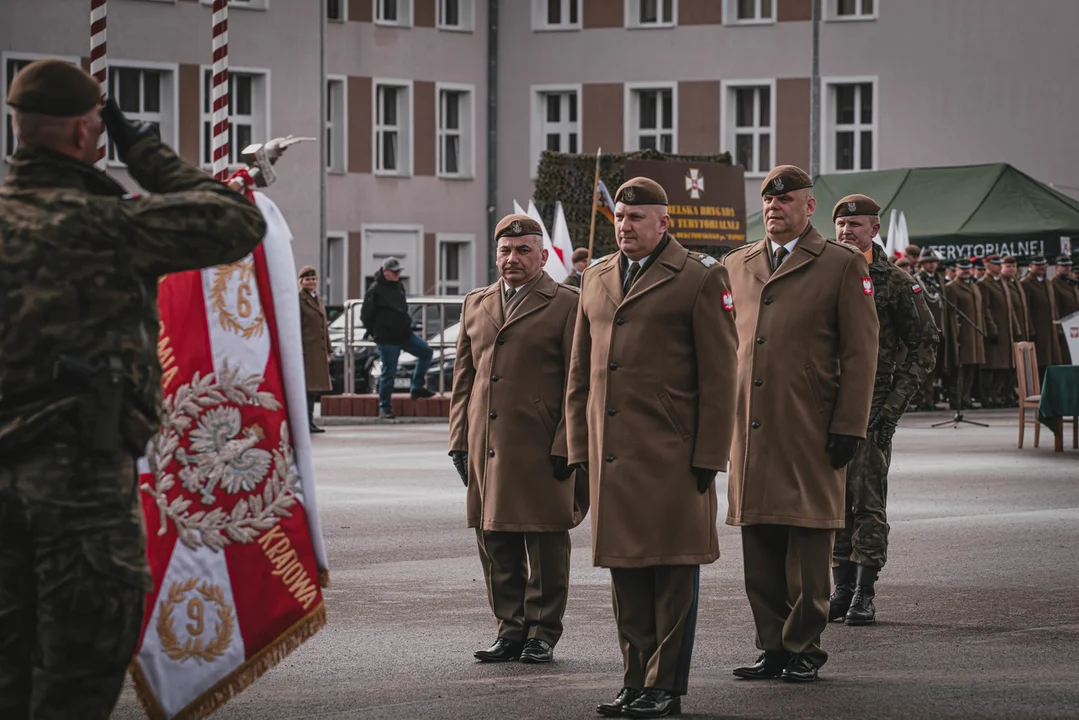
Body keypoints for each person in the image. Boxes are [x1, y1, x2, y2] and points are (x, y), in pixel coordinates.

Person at [0, 59, 267, 719]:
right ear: (84, 132)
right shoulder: (105, 224)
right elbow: (234, 218)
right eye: (96, 128)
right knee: (74, 682)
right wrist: (139, 147)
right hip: (80, 488)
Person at [566, 177, 738, 718]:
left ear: (664, 222)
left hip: (673, 456)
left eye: (637, 218)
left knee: (671, 574)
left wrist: (710, 457)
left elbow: (720, 374)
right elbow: (579, 372)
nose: (625, 227)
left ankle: (665, 686)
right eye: (619, 217)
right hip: (611, 458)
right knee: (627, 575)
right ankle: (635, 678)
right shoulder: (595, 278)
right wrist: (578, 448)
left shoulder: (698, 279)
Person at [722, 166, 878, 683]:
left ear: (809, 207)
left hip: (810, 425)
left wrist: (850, 424)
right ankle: (771, 646)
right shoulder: (737, 265)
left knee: (808, 541)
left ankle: (804, 645)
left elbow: (861, 352)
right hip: (750, 429)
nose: (774, 209)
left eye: (786, 201)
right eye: (768, 203)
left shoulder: (839, 265)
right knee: (759, 544)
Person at [448, 214, 588, 666]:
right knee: (496, 540)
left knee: (545, 541)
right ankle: (510, 629)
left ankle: (542, 632)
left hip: (542, 443)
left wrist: (569, 442)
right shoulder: (476, 303)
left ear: (543, 256)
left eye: (523, 250)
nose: (513, 259)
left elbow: (578, 380)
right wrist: (458, 441)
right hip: (486, 445)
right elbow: (463, 381)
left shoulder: (567, 304)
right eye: (505, 251)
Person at [830, 195, 938, 626]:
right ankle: (839, 590)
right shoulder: (824, 274)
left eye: (854, 224)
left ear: (874, 230)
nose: (845, 232)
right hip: (825, 405)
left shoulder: (893, 281)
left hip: (873, 406)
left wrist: (893, 407)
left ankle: (863, 592)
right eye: (839, 224)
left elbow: (925, 344)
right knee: (832, 502)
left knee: (867, 501)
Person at [361, 257, 434, 420]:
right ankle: (384, 407)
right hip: (387, 338)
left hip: (403, 334)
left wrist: (407, 323)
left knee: (426, 352)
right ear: (385, 271)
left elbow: (402, 309)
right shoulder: (375, 289)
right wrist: (377, 333)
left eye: (398, 272)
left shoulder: (398, 287)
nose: (397, 275)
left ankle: (417, 387)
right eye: (394, 272)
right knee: (389, 372)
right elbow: (366, 315)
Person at [943, 259, 987, 409]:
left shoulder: (974, 286)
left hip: (975, 334)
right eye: (962, 269)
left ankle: (966, 397)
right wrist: (956, 335)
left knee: (971, 368)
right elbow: (952, 314)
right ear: (956, 270)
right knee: (959, 369)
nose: (965, 271)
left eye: (967, 269)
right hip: (963, 334)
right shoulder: (952, 288)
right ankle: (957, 399)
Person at [977, 256, 1018, 408]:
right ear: (988, 266)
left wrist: (1016, 328)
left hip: (1006, 330)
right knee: (991, 366)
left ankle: (998, 395)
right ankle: (988, 396)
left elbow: (1009, 308)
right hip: (994, 331)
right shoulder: (984, 283)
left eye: (999, 264)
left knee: (1004, 366)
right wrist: (992, 328)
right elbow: (984, 309)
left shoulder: (1001, 282)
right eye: (995, 265)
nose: (999, 267)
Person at [298, 266, 333, 433]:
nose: (311, 282)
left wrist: (329, 349)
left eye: (313, 279)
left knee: (312, 388)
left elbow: (323, 326)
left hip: (317, 349)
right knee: (306, 387)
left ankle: (310, 421)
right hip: (306, 349)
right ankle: (304, 421)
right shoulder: (298, 299)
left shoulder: (317, 298)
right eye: (307, 279)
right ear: (301, 282)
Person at [914, 248, 948, 410]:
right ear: (922, 264)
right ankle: (922, 399)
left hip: (939, 327)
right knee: (923, 365)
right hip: (925, 329)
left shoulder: (938, 279)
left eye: (934, 262)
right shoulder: (917, 280)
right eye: (929, 262)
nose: (932, 265)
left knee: (935, 365)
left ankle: (930, 398)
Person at [1020, 256, 1062, 370]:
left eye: (1043, 265)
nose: (1041, 267)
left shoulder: (1047, 282)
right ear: (1030, 266)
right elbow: (1025, 309)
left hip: (1051, 330)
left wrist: (1057, 326)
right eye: (1038, 265)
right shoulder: (1026, 283)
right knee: (1040, 363)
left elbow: (1054, 307)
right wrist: (1030, 330)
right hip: (1038, 329)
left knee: (1053, 362)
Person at [1050, 255, 1079, 364]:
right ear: (1057, 268)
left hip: (1075, 326)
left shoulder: (1072, 283)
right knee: (1066, 357)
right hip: (1065, 327)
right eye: (1064, 266)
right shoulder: (1054, 284)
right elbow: (1055, 306)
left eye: (1069, 266)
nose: (1067, 268)